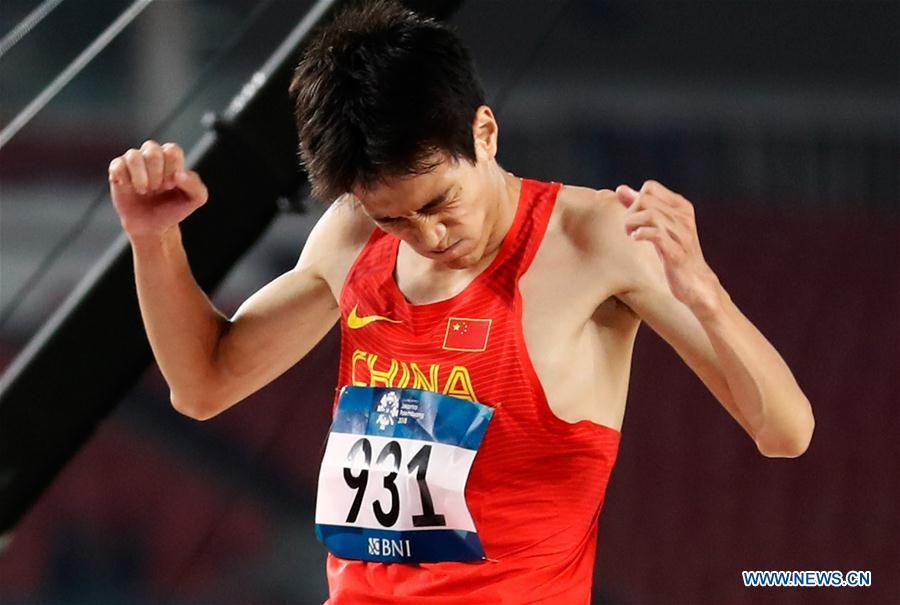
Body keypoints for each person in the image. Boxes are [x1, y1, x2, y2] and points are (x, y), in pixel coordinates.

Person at [107, 2, 814, 603]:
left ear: (483, 132)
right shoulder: (353, 238)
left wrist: (707, 295)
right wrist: (153, 238)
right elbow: (201, 383)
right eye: (394, 218)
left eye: (438, 202)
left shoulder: (594, 238)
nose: (428, 235)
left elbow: (786, 431)